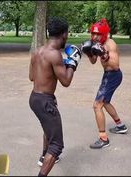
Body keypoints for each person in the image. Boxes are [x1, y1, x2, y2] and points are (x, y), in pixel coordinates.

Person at [29, 17, 82, 176]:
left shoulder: (37, 51)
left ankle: (44, 155)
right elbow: (66, 81)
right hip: (45, 101)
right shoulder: (55, 55)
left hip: (35, 98)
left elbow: (32, 77)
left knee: (48, 127)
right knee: (57, 145)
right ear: (64, 34)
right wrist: (73, 63)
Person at [81, 18, 128, 149]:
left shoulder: (110, 44)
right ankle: (120, 126)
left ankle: (103, 138)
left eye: (98, 34)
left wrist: (104, 54)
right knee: (105, 102)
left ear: (105, 34)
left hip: (113, 75)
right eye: (93, 34)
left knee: (97, 105)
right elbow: (93, 61)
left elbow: (115, 65)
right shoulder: (95, 43)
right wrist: (89, 53)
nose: (95, 37)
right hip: (108, 75)